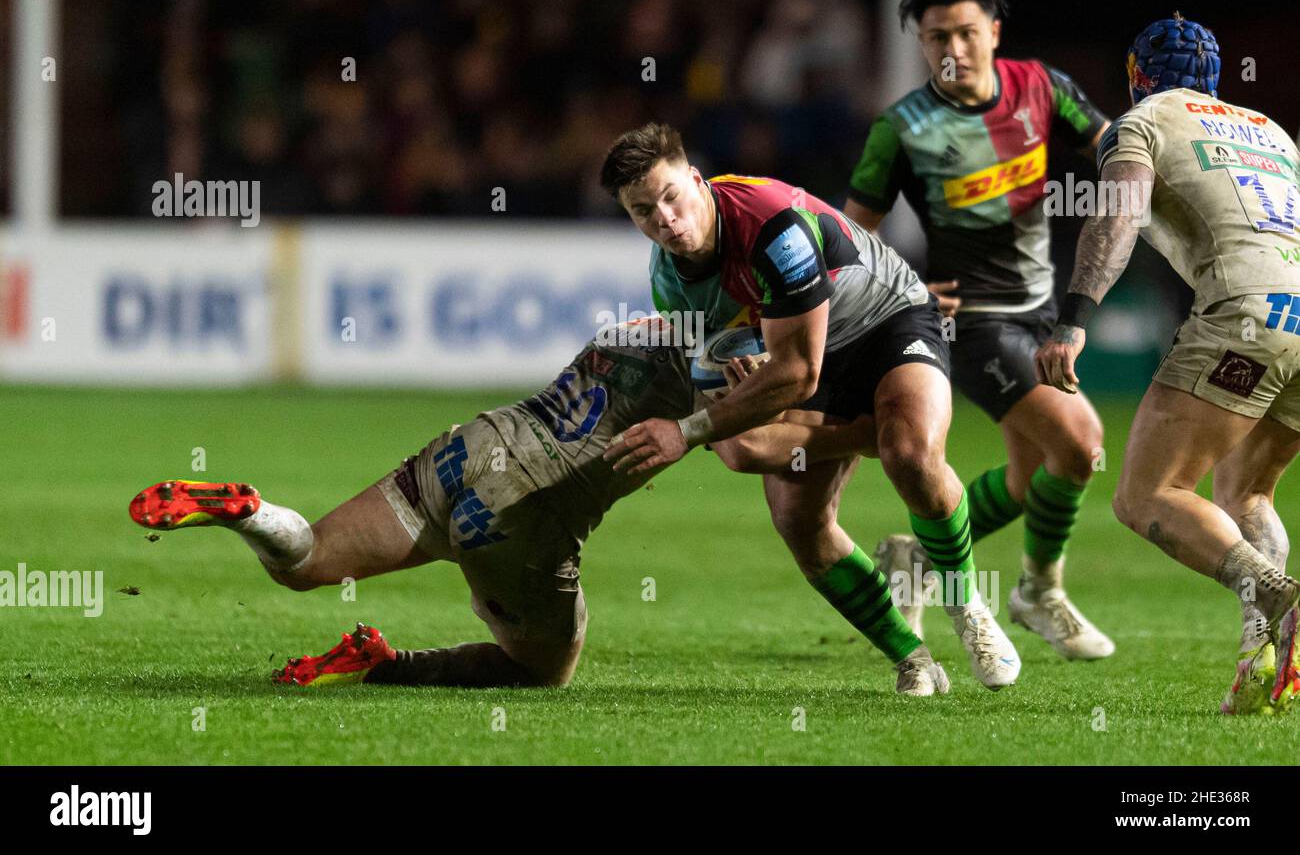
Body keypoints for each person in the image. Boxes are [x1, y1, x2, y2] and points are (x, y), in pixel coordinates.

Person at [127, 316, 949, 696]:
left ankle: (248, 510)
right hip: (520, 516)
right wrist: (861, 435)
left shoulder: (642, 325)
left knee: (304, 562)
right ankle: (388, 664)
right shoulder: (730, 352)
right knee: (545, 669)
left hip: (469, 446)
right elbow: (742, 446)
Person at [600, 123, 1021, 690]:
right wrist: (730, 381)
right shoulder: (670, 283)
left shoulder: (771, 226)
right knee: (778, 496)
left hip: (884, 321)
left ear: (697, 181)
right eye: (643, 211)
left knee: (912, 453)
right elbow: (730, 382)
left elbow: (798, 374)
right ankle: (913, 658)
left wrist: (686, 429)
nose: (666, 220)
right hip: (802, 349)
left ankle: (969, 610)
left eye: (672, 196)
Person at [843, 0, 1114, 660]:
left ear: (994, 28)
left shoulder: (1042, 87)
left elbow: (1118, 151)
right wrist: (904, 284)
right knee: (1080, 446)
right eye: (937, 37)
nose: (953, 49)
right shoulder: (902, 128)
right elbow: (847, 239)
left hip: (1041, 306)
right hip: (971, 324)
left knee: (1033, 478)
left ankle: (920, 558)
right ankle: (1039, 591)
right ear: (921, 43)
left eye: (966, 32)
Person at [1035, 13, 1300, 714]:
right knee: (1247, 495)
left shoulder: (1145, 120)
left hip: (1243, 313)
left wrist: (1074, 319)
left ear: (1137, 77)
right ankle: (1257, 662)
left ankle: (1273, 591)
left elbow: (1118, 217)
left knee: (1145, 494)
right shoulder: (1270, 131)